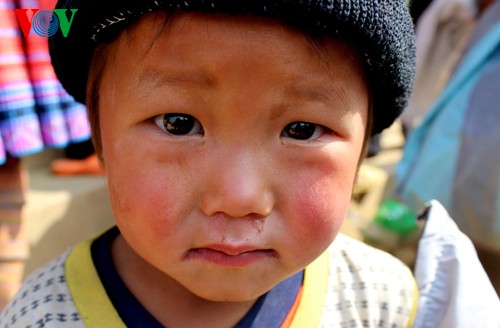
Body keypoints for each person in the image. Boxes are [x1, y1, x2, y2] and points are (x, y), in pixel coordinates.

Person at [3, 0, 494, 326]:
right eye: (177, 123)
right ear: (99, 134)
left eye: (301, 130)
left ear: (365, 141)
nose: (238, 198)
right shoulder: (42, 316)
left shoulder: (388, 305)